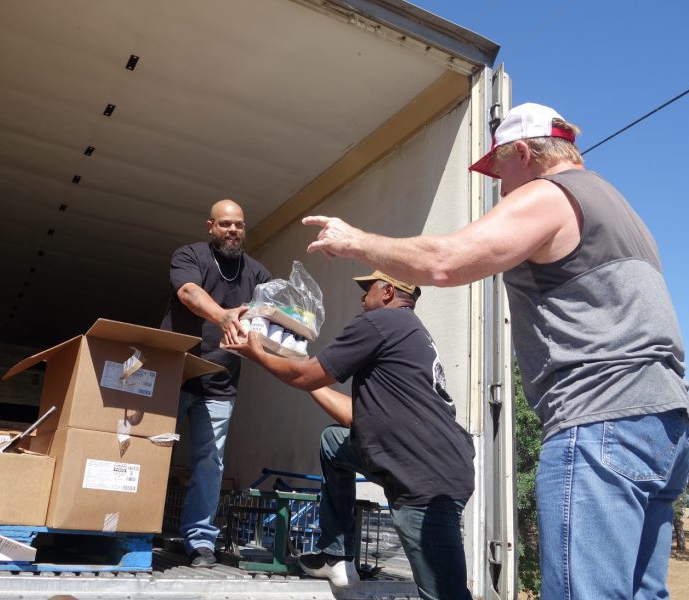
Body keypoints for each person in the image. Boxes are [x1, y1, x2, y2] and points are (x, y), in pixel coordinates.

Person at [300, 103, 689, 600]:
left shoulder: (551, 194)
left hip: (601, 421)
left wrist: (356, 240)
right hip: (667, 428)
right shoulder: (619, 208)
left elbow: (445, 262)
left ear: (526, 154)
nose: (500, 188)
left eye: (499, 170)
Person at [226, 270, 475, 600]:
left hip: (425, 480)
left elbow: (305, 376)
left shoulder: (380, 323)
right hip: (427, 463)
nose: (362, 297)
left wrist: (259, 354)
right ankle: (337, 556)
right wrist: (303, 370)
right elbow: (354, 415)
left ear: (387, 291)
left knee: (445, 595)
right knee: (334, 443)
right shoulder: (408, 332)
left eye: (367, 288)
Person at [160, 199, 271, 567]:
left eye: (238, 225)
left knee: (210, 463)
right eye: (225, 224)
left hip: (221, 382)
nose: (233, 231)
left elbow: (275, 312)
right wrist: (223, 315)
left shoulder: (257, 274)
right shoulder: (189, 256)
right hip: (175, 372)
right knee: (153, 451)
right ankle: (135, 523)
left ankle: (200, 541)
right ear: (210, 226)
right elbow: (188, 293)